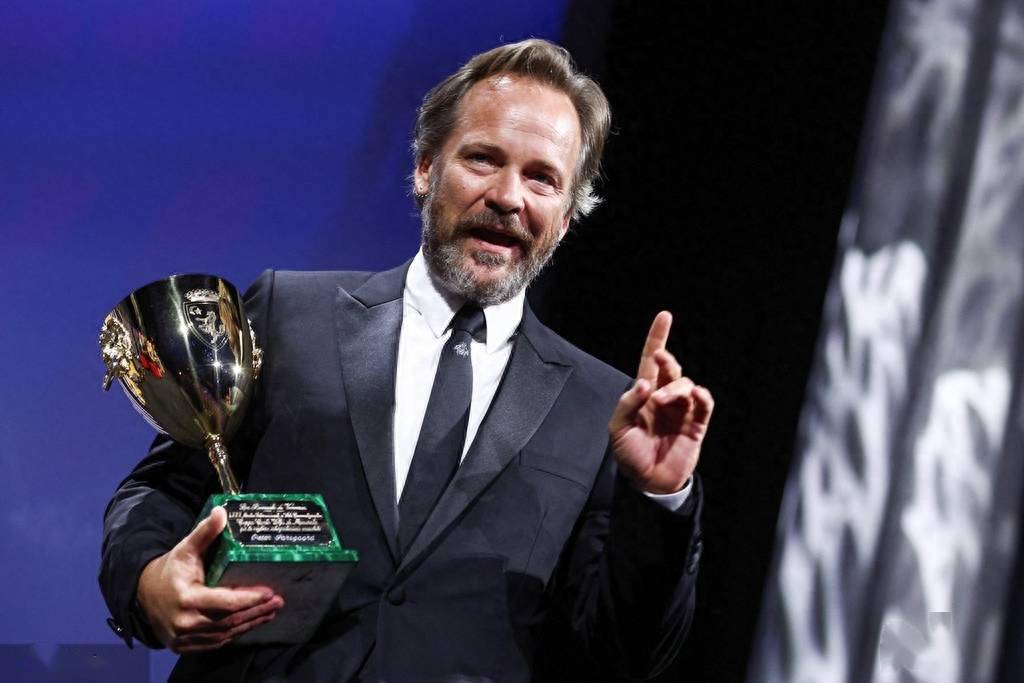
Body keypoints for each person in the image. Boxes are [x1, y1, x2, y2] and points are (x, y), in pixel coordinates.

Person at [99, 38, 714, 681]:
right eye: (483, 159)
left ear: (563, 219)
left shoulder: (602, 409)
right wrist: (149, 582)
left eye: (542, 178)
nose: (508, 196)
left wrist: (659, 495)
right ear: (425, 168)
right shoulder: (290, 313)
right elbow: (162, 490)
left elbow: (625, 649)